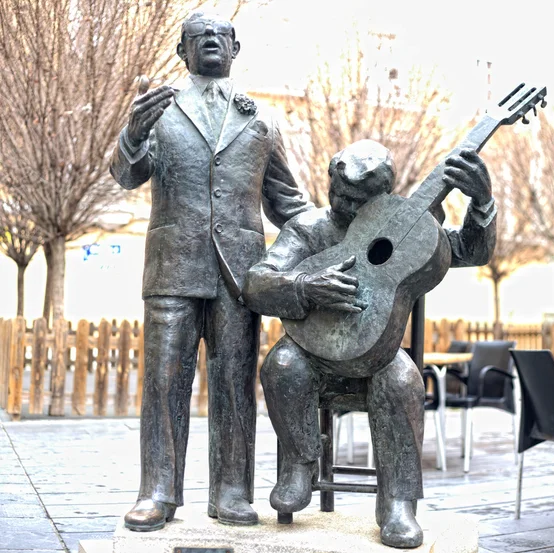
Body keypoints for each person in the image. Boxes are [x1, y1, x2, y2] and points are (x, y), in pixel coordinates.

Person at [109, 11, 311, 531]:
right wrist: (132, 134)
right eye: (200, 39)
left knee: (235, 380)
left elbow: (289, 204)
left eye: (220, 38)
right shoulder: (158, 111)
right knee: (163, 381)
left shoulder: (261, 120)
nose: (212, 44)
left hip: (241, 275)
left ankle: (231, 492)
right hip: (174, 265)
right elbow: (126, 176)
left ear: (236, 48)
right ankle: (157, 492)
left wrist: (344, 233)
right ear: (183, 51)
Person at [242, 139, 496, 548]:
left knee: (403, 380)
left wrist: (482, 203)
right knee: (281, 365)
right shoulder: (309, 228)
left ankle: (397, 503)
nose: (344, 204)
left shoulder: (405, 229)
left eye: (357, 199)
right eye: (338, 192)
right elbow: (256, 283)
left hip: (378, 355)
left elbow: (471, 250)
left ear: (384, 195)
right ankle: (300, 461)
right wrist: (305, 286)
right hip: (313, 355)